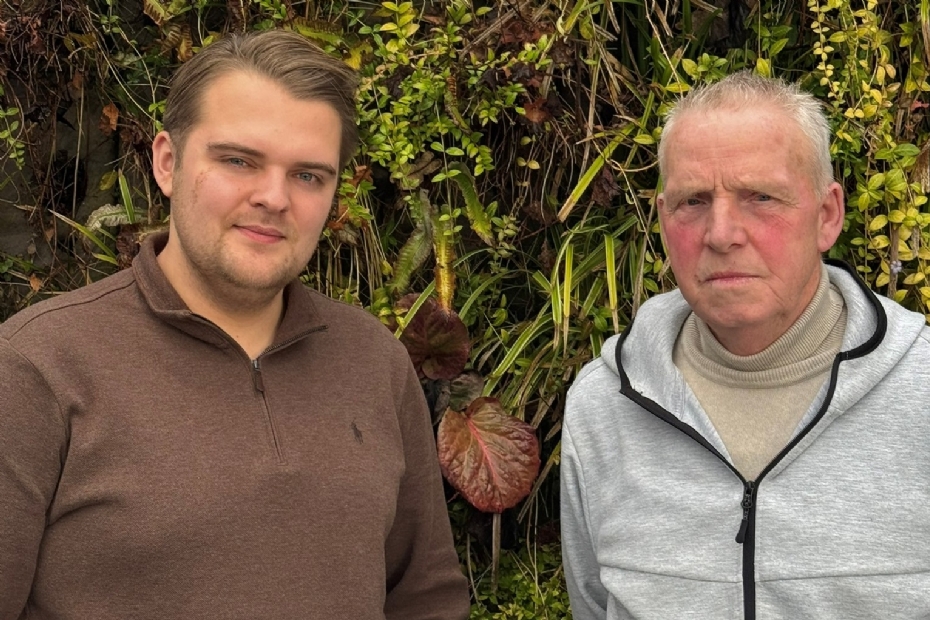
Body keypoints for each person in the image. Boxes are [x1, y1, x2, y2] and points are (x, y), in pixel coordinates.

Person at [0, 30, 469, 620]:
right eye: (238, 160)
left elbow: (426, 598)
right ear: (167, 163)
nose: (274, 197)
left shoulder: (374, 362)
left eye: (307, 175)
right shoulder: (36, 368)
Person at [560, 70, 930, 619]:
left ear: (827, 215)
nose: (722, 233)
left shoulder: (922, 395)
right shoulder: (604, 406)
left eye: (760, 196)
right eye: (693, 202)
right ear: (663, 221)